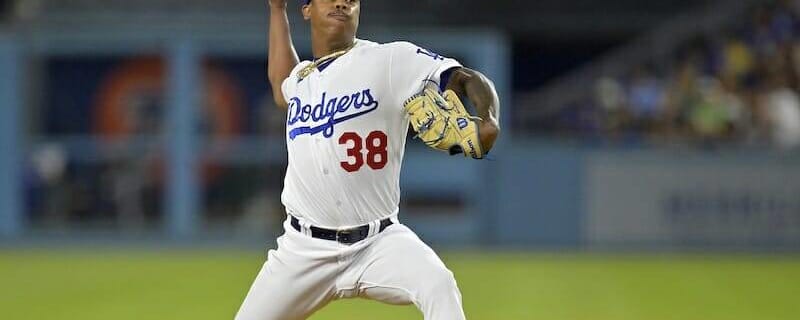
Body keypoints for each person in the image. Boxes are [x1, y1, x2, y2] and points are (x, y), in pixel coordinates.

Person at [236, 0, 500, 319]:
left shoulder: (389, 60)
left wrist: (488, 121)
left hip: (378, 242)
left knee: (438, 284)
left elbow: (467, 78)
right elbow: (282, 86)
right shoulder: (303, 80)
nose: (342, 2)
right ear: (307, 9)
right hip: (302, 250)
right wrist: (277, 10)